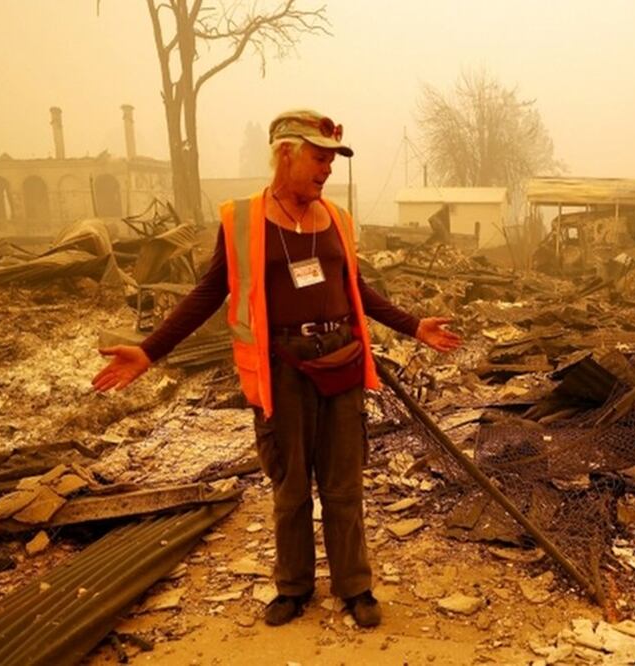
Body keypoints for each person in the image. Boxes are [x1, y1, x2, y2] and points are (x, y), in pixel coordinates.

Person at [92, 109, 461, 628]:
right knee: (290, 488)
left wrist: (412, 325)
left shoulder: (337, 220)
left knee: (344, 486)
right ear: (285, 152)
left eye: (332, 159)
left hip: (343, 365)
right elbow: (207, 293)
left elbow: (358, 289)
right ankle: (294, 587)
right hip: (282, 371)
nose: (327, 169)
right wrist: (150, 350)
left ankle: (355, 586)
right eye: (319, 157)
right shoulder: (243, 221)